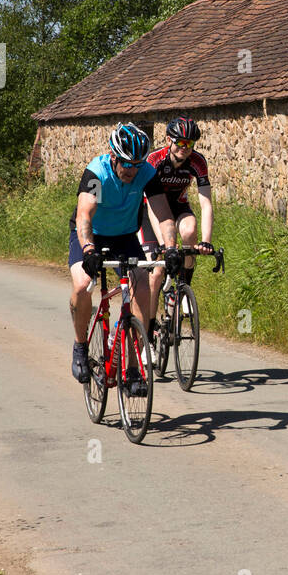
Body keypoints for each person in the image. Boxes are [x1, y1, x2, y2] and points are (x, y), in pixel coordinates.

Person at [69, 122, 181, 394]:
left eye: (137, 164)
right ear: (114, 156)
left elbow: (162, 213)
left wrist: (171, 247)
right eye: (127, 164)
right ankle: (80, 346)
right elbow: (85, 215)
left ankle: (132, 369)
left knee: (142, 290)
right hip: (91, 236)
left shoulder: (146, 172)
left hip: (125, 236)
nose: (132, 170)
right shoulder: (98, 173)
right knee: (83, 286)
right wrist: (88, 251)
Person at [137, 116, 215, 346]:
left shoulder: (198, 162)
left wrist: (206, 241)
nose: (184, 148)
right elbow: (151, 202)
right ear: (169, 140)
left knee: (190, 231)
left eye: (189, 144)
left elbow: (206, 203)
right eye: (180, 143)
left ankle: (183, 287)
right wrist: (165, 244)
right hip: (151, 211)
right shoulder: (154, 160)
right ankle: (149, 331)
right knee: (156, 275)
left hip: (179, 206)